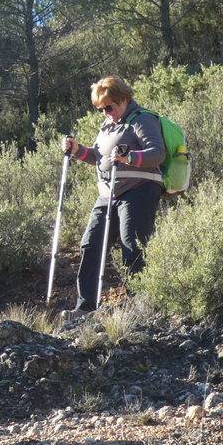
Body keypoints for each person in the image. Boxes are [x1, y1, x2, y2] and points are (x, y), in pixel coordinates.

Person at [62, 75, 164, 311]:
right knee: (91, 244)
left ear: (124, 99)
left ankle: (141, 305)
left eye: (110, 107)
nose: (106, 112)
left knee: (132, 246)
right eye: (101, 109)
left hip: (139, 190)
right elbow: (99, 159)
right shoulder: (108, 126)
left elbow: (157, 153)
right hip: (108, 195)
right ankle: (85, 306)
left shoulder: (143, 119)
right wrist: (78, 150)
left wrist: (130, 157)